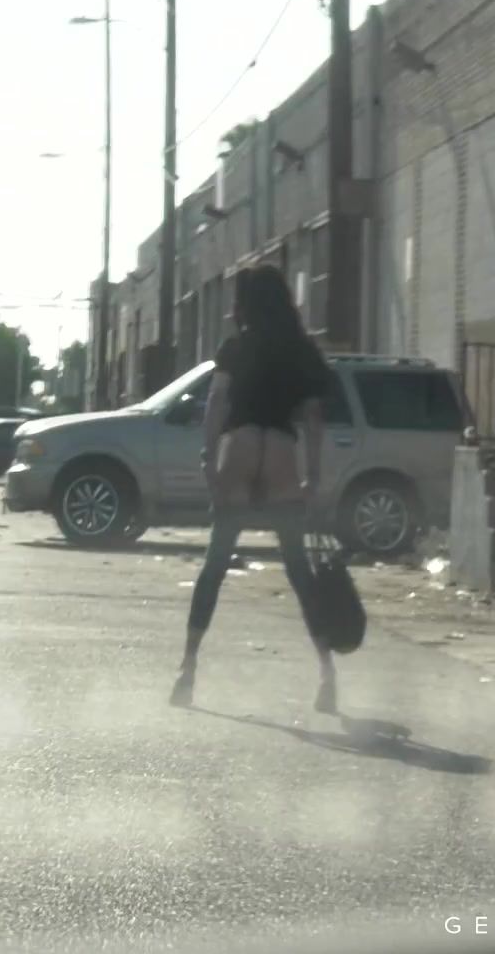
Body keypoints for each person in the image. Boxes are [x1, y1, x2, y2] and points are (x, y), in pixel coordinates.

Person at [169, 265, 339, 713]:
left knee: (216, 562)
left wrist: (209, 457)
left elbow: (217, 401)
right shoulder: (301, 350)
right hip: (281, 449)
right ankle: (327, 675)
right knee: (298, 568)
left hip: (240, 446)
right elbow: (314, 419)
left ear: (245, 304)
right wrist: (312, 476)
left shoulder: (235, 347)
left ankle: (188, 668)